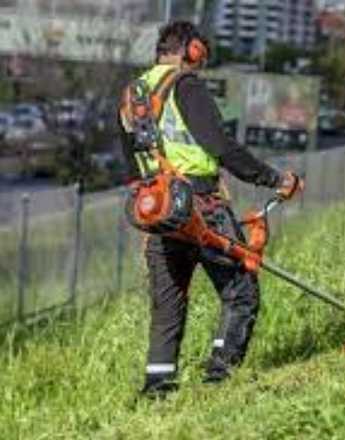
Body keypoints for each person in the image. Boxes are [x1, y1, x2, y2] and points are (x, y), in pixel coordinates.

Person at [118, 21, 303, 397]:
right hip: (202, 207)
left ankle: (157, 390)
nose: (201, 65)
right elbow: (220, 145)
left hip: (158, 213)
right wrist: (274, 179)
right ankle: (220, 379)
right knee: (241, 291)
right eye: (201, 55)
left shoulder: (133, 93)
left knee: (168, 308)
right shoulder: (186, 85)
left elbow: (131, 164)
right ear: (192, 50)